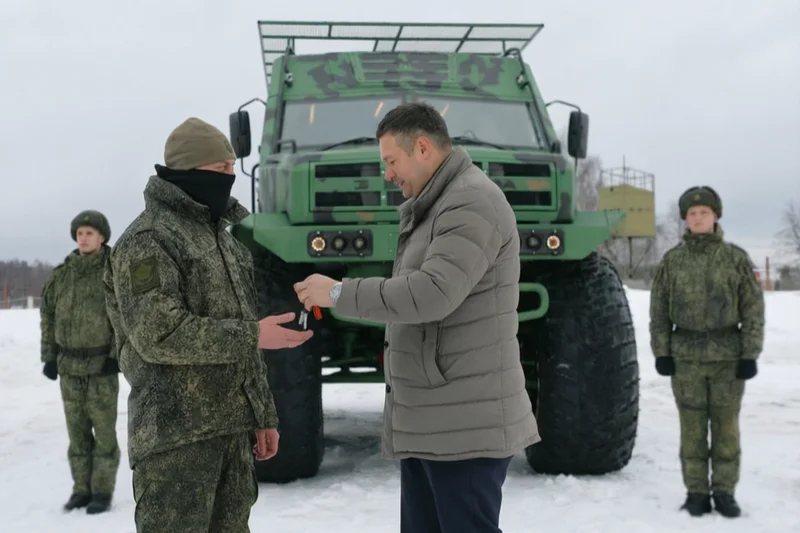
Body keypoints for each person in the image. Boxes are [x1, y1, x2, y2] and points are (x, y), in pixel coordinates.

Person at [293, 101, 540, 533]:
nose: (387, 174)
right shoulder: (439, 203)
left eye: (391, 160)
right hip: (438, 420)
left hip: (465, 429)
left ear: (422, 148)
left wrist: (337, 292)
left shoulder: (470, 202)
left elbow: (432, 293)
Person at [103, 117, 314, 533]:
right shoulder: (149, 239)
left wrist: (262, 414)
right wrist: (256, 334)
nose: (230, 179)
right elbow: (158, 334)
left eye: (232, 170)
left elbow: (241, 339)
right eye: (221, 170)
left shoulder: (227, 241)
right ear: (188, 171)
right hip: (175, 442)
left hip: (231, 433)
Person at [649, 185, 765, 518]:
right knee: (692, 430)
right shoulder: (672, 262)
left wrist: (749, 355)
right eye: (692, 214)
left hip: (728, 359)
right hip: (685, 358)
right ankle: (696, 492)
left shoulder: (736, 259)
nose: (699, 218)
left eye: (705, 213)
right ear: (686, 219)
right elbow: (658, 312)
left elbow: (753, 310)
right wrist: (662, 351)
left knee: (727, 429)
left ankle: (725, 492)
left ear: (716, 216)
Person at [39, 209, 121, 514]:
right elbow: (47, 316)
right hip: (69, 369)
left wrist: (115, 357)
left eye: (89, 233)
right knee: (77, 435)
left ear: (102, 237)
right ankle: (81, 490)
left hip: (101, 367)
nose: (83, 238)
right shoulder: (62, 276)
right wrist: (49, 357)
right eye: (80, 233)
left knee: (104, 434)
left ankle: (101, 491)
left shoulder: (112, 272)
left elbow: (121, 317)